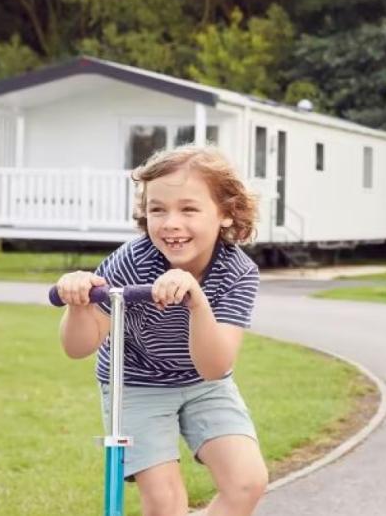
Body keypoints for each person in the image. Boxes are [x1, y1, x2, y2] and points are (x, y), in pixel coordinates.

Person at [54, 146, 268, 515]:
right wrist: (79, 305)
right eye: (158, 209)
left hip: (204, 385)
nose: (170, 222)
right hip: (137, 384)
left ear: (226, 215)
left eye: (188, 209)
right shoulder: (133, 261)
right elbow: (77, 348)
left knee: (247, 482)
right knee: (165, 503)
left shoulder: (238, 272)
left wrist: (197, 301)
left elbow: (214, 367)